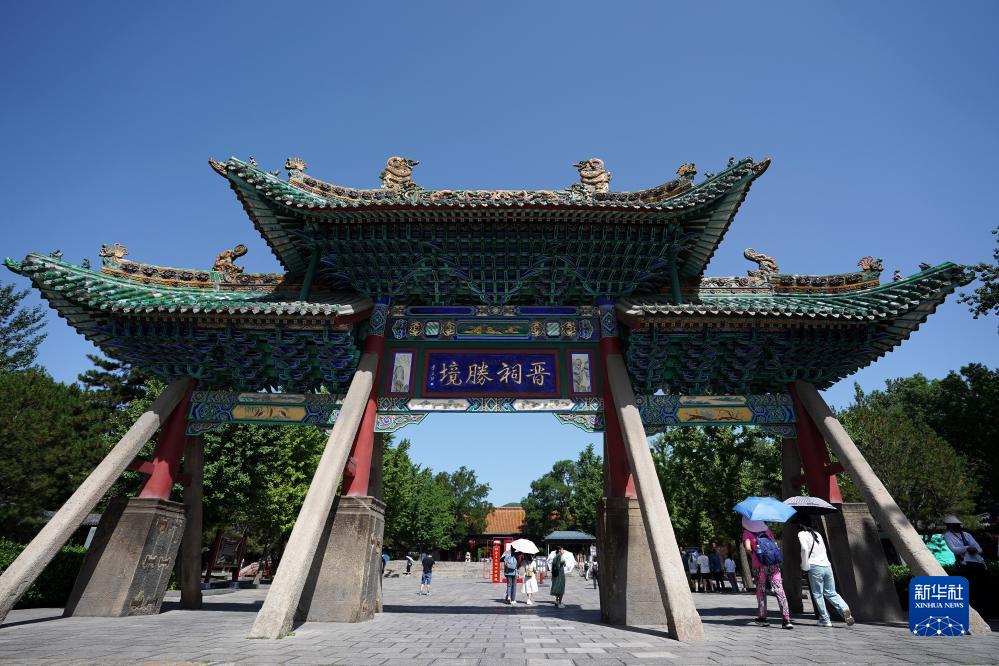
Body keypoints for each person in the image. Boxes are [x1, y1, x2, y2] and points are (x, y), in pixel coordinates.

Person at [797, 515, 854, 627]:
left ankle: (825, 619)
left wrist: (804, 565)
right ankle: (844, 608)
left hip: (815, 566)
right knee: (831, 592)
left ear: (800, 524)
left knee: (818, 594)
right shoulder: (818, 534)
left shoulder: (802, 534)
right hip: (827, 565)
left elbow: (804, 549)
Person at [743, 517, 793, 629]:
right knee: (779, 590)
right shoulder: (766, 530)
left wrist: (753, 555)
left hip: (759, 566)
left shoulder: (747, 532)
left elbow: (748, 548)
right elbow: (774, 544)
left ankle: (763, 617)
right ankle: (786, 619)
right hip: (773, 564)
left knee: (761, 591)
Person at [942, 515, 988, 611]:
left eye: (957, 524)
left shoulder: (967, 535)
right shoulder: (948, 535)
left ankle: (982, 610)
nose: (957, 526)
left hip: (978, 563)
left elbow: (979, 548)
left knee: (981, 588)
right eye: (954, 524)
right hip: (965, 564)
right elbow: (954, 549)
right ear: (949, 526)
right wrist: (967, 548)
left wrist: (974, 549)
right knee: (969, 589)